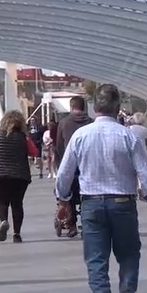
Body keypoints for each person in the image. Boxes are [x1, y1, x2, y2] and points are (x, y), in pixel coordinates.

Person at [55, 84, 147, 293]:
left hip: (91, 204)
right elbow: (144, 173)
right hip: (123, 204)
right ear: (118, 108)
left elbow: (64, 174)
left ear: (95, 108)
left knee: (96, 260)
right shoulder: (128, 136)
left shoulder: (80, 136)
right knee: (128, 255)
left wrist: (63, 201)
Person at [0, 111, 38, 243]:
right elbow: (34, 152)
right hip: (20, 174)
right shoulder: (24, 137)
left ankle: (4, 221)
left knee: (1, 201)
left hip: (0, 174)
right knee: (17, 204)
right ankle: (17, 234)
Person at [55, 97, 93, 237]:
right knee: (86, 196)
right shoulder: (91, 122)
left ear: (71, 107)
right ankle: (87, 222)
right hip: (88, 166)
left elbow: (58, 146)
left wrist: (59, 164)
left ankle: (71, 225)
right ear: (83, 107)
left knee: (67, 194)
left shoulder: (64, 123)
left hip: (70, 165)